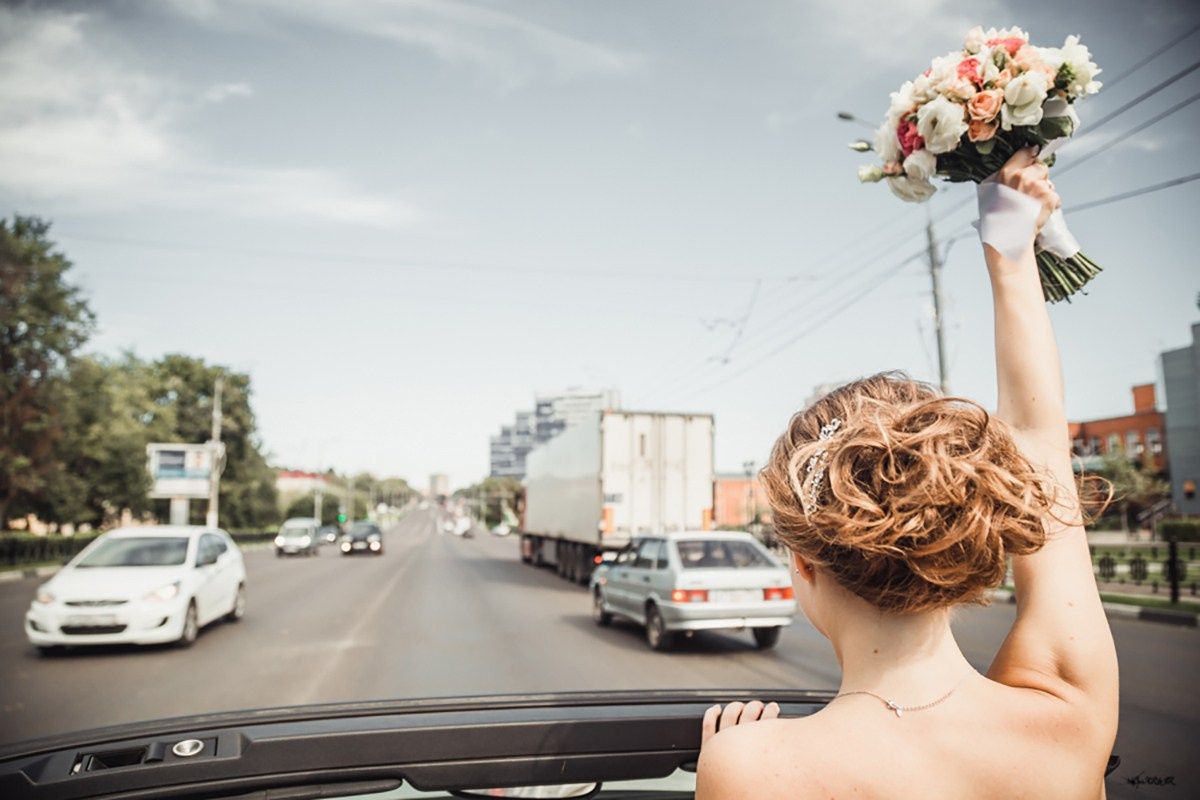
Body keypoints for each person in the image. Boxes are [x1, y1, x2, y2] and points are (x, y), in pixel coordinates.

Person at [696, 148, 1119, 799]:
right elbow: (1040, 439)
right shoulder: (1068, 711)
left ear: (803, 564)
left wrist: (731, 750)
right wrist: (1010, 239)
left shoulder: (751, 765)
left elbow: (1039, 444)